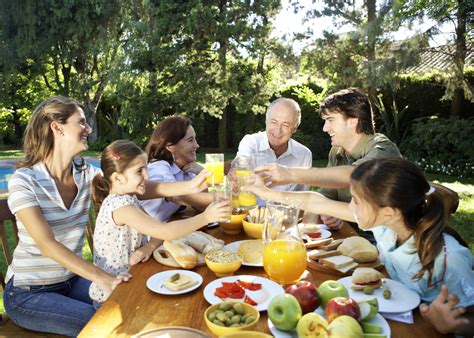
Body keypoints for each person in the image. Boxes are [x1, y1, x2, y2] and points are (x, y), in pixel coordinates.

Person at [4, 96, 210, 336]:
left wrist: (190, 186)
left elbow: (137, 186)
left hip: (72, 279)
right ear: (56, 127)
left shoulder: (83, 172)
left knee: (138, 302)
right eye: (80, 122)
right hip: (29, 293)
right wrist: (102, 278)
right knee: (107, 324)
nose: (88, 128)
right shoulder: (25, 180)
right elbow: (47, 245)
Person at [246, 157, 474, 336]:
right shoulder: (386, 225)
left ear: (388, 211)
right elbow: (316, 201)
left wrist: (452, 325)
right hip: (397, 316)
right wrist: (266, 193)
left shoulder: (449, 257)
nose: (350, 205)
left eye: (356, 200)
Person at [90, 139, 230, 305]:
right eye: (139, 171)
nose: (147, 176)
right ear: (117, 178)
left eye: (146, 169)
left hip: (131, 282)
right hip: (112, 299)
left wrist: (148, 247)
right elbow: (164, 232)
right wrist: (206, 217)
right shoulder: (120, 207)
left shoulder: (128, 197)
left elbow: (156, 232)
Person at [255, 88, 401, 229]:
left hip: (387, 242)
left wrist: (289, 174)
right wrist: (308, 229)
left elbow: (355, 175)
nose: (325, 128)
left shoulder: (383, 149)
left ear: (352, 120)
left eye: (330, 120)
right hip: (348, 235)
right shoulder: (337, 151)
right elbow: (324, 194)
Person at [141, 116, 213, 222]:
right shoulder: (159, 167)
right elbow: (177, 197)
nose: (197, 145)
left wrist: (200, 173)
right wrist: (226, 198)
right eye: (190, 140)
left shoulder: (187, 170)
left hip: (161, 233)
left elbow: (201, 207)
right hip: (143, 235)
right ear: (170, 146)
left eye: (195, 139)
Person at [236, 97, 312, 191]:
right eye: (274, 122)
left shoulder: (304, 155)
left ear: (295, 128)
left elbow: (303, 197)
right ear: (266, 121)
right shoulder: (251, 142)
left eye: (285, 125)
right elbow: (241, 169)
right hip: (252, 205)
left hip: (286, 206)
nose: (278, 130)